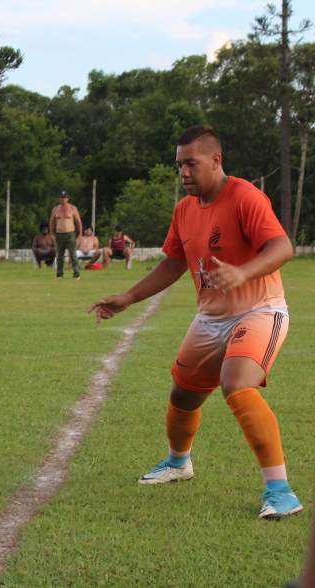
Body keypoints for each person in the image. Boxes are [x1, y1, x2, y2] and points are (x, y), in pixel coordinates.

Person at [89, 125, 301, 519]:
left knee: (236, 385)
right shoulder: (184, 210)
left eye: (191, 163)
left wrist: (243, 273)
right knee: (183, 395)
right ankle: (178, 463)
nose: (184, 172)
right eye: (179, 165)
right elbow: (173, 261)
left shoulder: (245, 197)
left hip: (259, 310)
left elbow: (282, 246)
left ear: (215, 161)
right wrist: (128, 298)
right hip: (211, 318)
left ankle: (280, 490)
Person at [49, 190, 82, 280]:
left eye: (64, 197)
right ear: (59, 198)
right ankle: (59, 274)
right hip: (59, 234)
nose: (63, 199)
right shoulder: (55, 209)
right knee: (59, 255)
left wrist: (80, 235)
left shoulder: (72, 208)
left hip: (70, 233)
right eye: (61, 197)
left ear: (68, 198)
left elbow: (78, 221)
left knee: (73, 255)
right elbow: (52, 222)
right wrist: (52, 234)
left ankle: (76, 274)